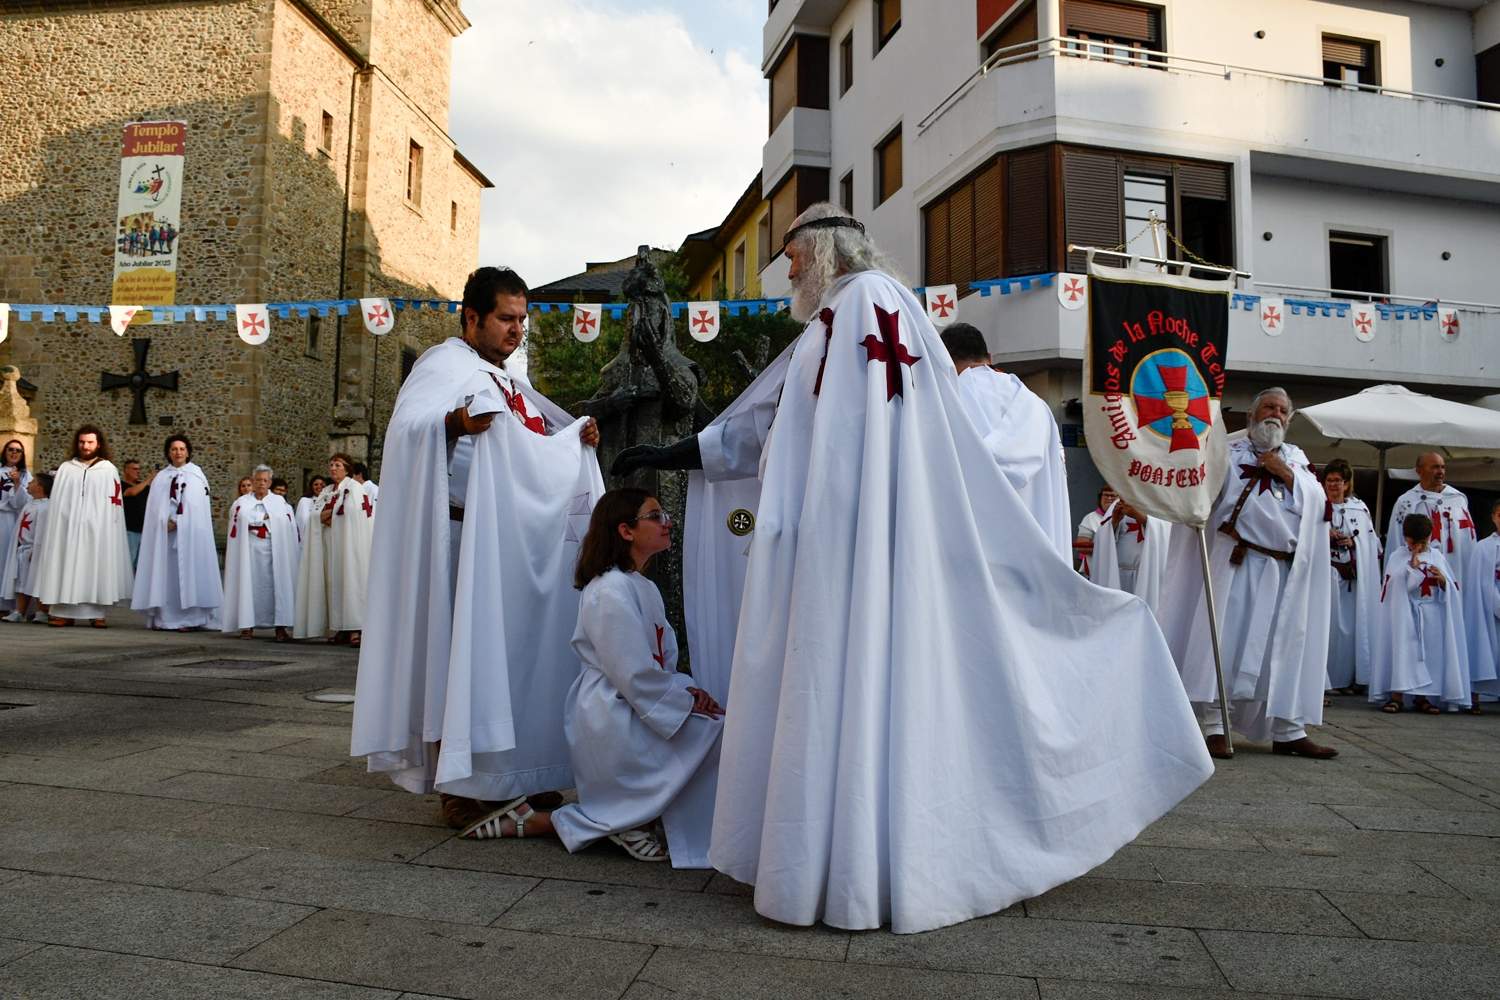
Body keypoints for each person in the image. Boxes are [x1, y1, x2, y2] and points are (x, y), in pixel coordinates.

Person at [612, 203, 1211, 934]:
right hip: (833, 548)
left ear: (824, 248)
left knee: (860, 681)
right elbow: (766, 422)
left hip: (859, 546)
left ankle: (862, 867)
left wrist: (843, 519)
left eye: (791, 254)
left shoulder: (872, 304)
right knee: (831, 688)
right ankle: (829, 864)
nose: (787, 269)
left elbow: (866, 433)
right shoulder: (831, 322)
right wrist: (674, 455)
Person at [351, 265, 604, 834]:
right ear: (472, 317)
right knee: (463, 661)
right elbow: (407, 430)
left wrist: (573, 441)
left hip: (509, 544)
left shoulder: (510, 381)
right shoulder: (443, 366)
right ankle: (461, 786)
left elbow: (533, 451)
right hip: (461, 540)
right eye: (506, 319)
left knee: (514, 661)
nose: (517, 330)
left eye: (522, 320)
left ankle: (520, 773)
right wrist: (456, 421)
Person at [462, 489, 724, 869]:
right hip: (613, 710)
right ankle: (618, 821)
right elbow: (631, 671)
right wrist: (683, 701)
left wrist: (689, 692)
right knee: (714, 732)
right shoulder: (609, 589)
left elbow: (661, 661)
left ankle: (632, 818)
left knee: (716, 725)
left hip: (639, 701)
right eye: (655, 516)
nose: (667, 523)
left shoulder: (643, 587)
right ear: (626, 530)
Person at [1158, 388, 1335, 760]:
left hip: (1284, 571)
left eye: (1282, 410)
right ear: (1251, 415)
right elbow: (1198, 498)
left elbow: (1321, 506)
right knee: (1223, 643)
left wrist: (1285, 474)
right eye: (1268, 407)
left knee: (1283, 649)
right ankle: (1215, 726)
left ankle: (1288, 731)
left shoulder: (1297, 460)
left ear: (1289, 419)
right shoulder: (1225, 453)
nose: (1275, 414)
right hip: (1236, 564)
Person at [940, 323, 1070, 560]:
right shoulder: (1037, 406)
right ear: (989, 357)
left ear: (944, 359)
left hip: (969, 552)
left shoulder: (945, 401)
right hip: (1032, 550)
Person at [1385, 452, 1487, 712]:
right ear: (1419, 470)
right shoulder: (1406, 502)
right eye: (1434, 467)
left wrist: (1456, 579)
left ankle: (1444, 690)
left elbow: (1467, 540)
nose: (1440, 472)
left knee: (1444, 636)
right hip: (1412, 580)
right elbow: (1397, 541)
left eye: (1442, 467)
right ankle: (1405, 693)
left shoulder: (1458, 499)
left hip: (1451, 574)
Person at [33, 425, 133, 627]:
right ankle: (63, 612)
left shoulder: (108, 470)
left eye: (89, 442)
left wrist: (104, 526)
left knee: (95, 567)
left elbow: (113, 504)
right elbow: (58, 503)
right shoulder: (66, 469)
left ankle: (96, 613)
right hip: (67, 530)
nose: (85, 446)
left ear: (98, 444)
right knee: (65, 564)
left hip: (97, 530)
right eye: (82, 442)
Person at [1369, 514, 1469, 713]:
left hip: (1432, 613)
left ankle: (1423, 697)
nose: (1420, 546)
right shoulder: (1397, 556)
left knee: (1429, 656)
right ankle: (1397, 696)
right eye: (1415, 542)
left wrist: (1443, 581)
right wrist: (1410, 568)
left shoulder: (1437, 556)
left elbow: (1452, 588)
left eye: (1423, 542)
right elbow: (1392, 589)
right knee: (1403, 652)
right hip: (1404, 615)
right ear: (1406, 538)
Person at [131, 435, 223, 631]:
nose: (178, 452)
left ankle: (189, 619)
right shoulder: (161, 478)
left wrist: (180, 521)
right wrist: (164, 521)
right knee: (167, 577)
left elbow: (198, 508)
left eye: (182, 449)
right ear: (168, 453)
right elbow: (154, 508)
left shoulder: (197, 476)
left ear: (188, 452)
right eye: (174, 449)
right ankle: (165, 618)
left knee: (189, 575)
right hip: (166, 537)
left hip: (190, 537)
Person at [294, 453, 373, 645]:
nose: (333, 468)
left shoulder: (354, 488)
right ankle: (339, 627)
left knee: (350, 581)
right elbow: (315, 514)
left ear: (347, 469)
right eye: (331, 465)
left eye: (337, 465)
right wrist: (326, 516)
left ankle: (355, 628)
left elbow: (354, 513)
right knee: (332, 583)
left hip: (348, 544)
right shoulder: (327, 490)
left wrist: (330, 517)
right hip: (328, 544)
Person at [1322, 460, 1380, 695]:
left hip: (1352, 579)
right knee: (1329, 628)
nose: (1333, 485)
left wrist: (1354, 542)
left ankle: (1347, 680)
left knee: (1351, 631)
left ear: (1346, 484)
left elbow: (1373, 544)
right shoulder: (1317, 505)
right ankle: (1326, 681)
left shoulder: (1359, 509)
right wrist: (1324, 534)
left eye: (1338, 481)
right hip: (1326, 575)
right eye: (1329, 480)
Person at [223, 465, 296, 641]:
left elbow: (286, 522)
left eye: (265, 480)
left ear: (270, 482)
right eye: (258, 480)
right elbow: (239, 520)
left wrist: (262, 520)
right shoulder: (242, 502)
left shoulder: (279, 502)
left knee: (278, 586)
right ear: (253, 481)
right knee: (247, 585)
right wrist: (262, 518)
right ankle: (246, 625)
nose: (261, 483)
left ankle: (280, 627)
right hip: (248, 552)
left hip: (274, 550)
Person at [1088, 495, 1169, 616]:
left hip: (1146, 574)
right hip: (1118, 575)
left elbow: (1168, 531)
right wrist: (1114, 521)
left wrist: (1142, 518)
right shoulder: (1120, 501)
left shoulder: (1161, 502)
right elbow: (1102, 533)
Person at [1462, 498, 1500, 713]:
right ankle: (1474, 695)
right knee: (1484, 648)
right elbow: (1481, 582)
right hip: (1488, 609)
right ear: (1494, 517)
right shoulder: (1483, 547)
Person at [1, 473, 52, 623]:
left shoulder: (46, 507)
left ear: (40, 487)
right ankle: (20, 611)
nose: (29, 483)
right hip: (23, 549)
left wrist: (37, 549)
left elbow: (43, 531)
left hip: (35, 550)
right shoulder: (30, 504)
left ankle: (42, 611)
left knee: (37, 581)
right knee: (21, 582)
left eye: (33, 482)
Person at [0, 440, 33, 613]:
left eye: (18, 450)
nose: (14, 453)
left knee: (6, 560)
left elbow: (24, 502)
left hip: (11, 521)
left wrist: (18, 483)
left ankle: (6, 605)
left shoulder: (26, 475)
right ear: (4, 451)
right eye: (10, 449)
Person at [1073, 485, 1119, 575]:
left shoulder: (1127, 519)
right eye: (1106, 495)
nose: (1109, 498)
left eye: (1113, 496)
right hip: (1096, 569)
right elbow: (1081, 546)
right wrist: (1107, 550)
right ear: (1100, 498)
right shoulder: (1090, 518)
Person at [120, 459, 150, 569]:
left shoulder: (144, 487)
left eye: (139, 469)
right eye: (134, 469)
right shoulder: (121, 484)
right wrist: (148, 479)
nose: (138, 471)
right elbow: (131, 492)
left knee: (141, 566)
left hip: (144, 531)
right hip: (130, 531)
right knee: (128, 563)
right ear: (126, 470)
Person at [294, 475, 327, 547]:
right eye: (316, 484)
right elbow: (301, 521)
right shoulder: (304, 501)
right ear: (311, 487)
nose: (319, 487)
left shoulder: (329, 501)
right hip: (308, 538)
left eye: (322, 484)